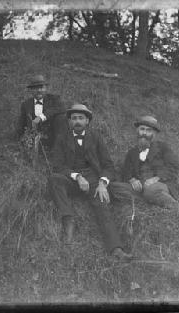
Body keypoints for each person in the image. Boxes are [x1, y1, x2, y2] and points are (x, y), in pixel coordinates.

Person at [48, 103, 134, 260]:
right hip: (72, 180)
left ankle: (116, 249)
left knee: (102, 207)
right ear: (69, 122)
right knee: (54, 180)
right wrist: (77, 177)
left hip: (94, 181)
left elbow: (108, 165)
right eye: (74, 118)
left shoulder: (96, 137)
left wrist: (103, 183)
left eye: (81, 118)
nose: (77, 121)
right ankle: (69, 220)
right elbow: (58, 166)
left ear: (87, 121)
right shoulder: (62, 138)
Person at [120, 115, 179, 211]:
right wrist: (132, 180)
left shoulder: (163, 148)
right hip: (140, 189)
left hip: (160, 184)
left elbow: (173, 167)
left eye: (148, 130)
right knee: (114, 187)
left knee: (151, 190)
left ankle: (176, 208)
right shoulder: (132, 153)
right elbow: (126, 172)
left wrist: (155, 179)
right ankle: (145, 199)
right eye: (142, 129)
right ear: (137, 131)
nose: (144, 133)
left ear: (154, 133)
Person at [16, 74, 67, 150]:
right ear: (31, 90)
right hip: (34, 137)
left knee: (61, 117)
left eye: (41, 87)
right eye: (36, 88)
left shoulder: (54, 99)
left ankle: (59, 149)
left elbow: (62, 108)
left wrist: (41, 117)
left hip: (52, 137)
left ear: (45, 88)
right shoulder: (26, 104)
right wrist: (20, 138)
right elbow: (22, 123)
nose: (39, 90)